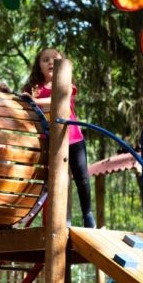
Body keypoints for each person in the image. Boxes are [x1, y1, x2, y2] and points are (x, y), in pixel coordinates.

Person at [22, 47, 96, 228]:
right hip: (49, 140)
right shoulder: (35, 90)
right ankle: (60, 220)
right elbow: (26, 106)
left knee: (82, 177)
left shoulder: (66, 85)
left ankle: (88, 215)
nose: (50, 62)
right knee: (55, 179)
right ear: (39, 66)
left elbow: (59, 99)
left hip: (72, 138)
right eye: (45, 59)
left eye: (55, 59)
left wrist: (34, 101)